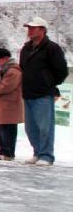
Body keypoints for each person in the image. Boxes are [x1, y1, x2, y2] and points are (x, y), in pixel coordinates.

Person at [19, 17, 68, 166]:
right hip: (28, 92)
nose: (30, 31)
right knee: (30, 127)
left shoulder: (52, 48)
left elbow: (61, 70)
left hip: (43, 93)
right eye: (29, 28)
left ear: (43, 30)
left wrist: (49, 83)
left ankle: (46, 155)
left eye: (33, 28)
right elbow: (23, 68)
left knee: (45, 126)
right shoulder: (26, 48)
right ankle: (37, 152)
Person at [0, 48, 23, 160]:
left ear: (5, 58)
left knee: (8, 128)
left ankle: (8, 153)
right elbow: (1, 84)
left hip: (11, 103)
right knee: (1, 127)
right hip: (4, 103)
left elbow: (6, 86)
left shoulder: (13, 71)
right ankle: (2, 151)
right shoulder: (4, 69)